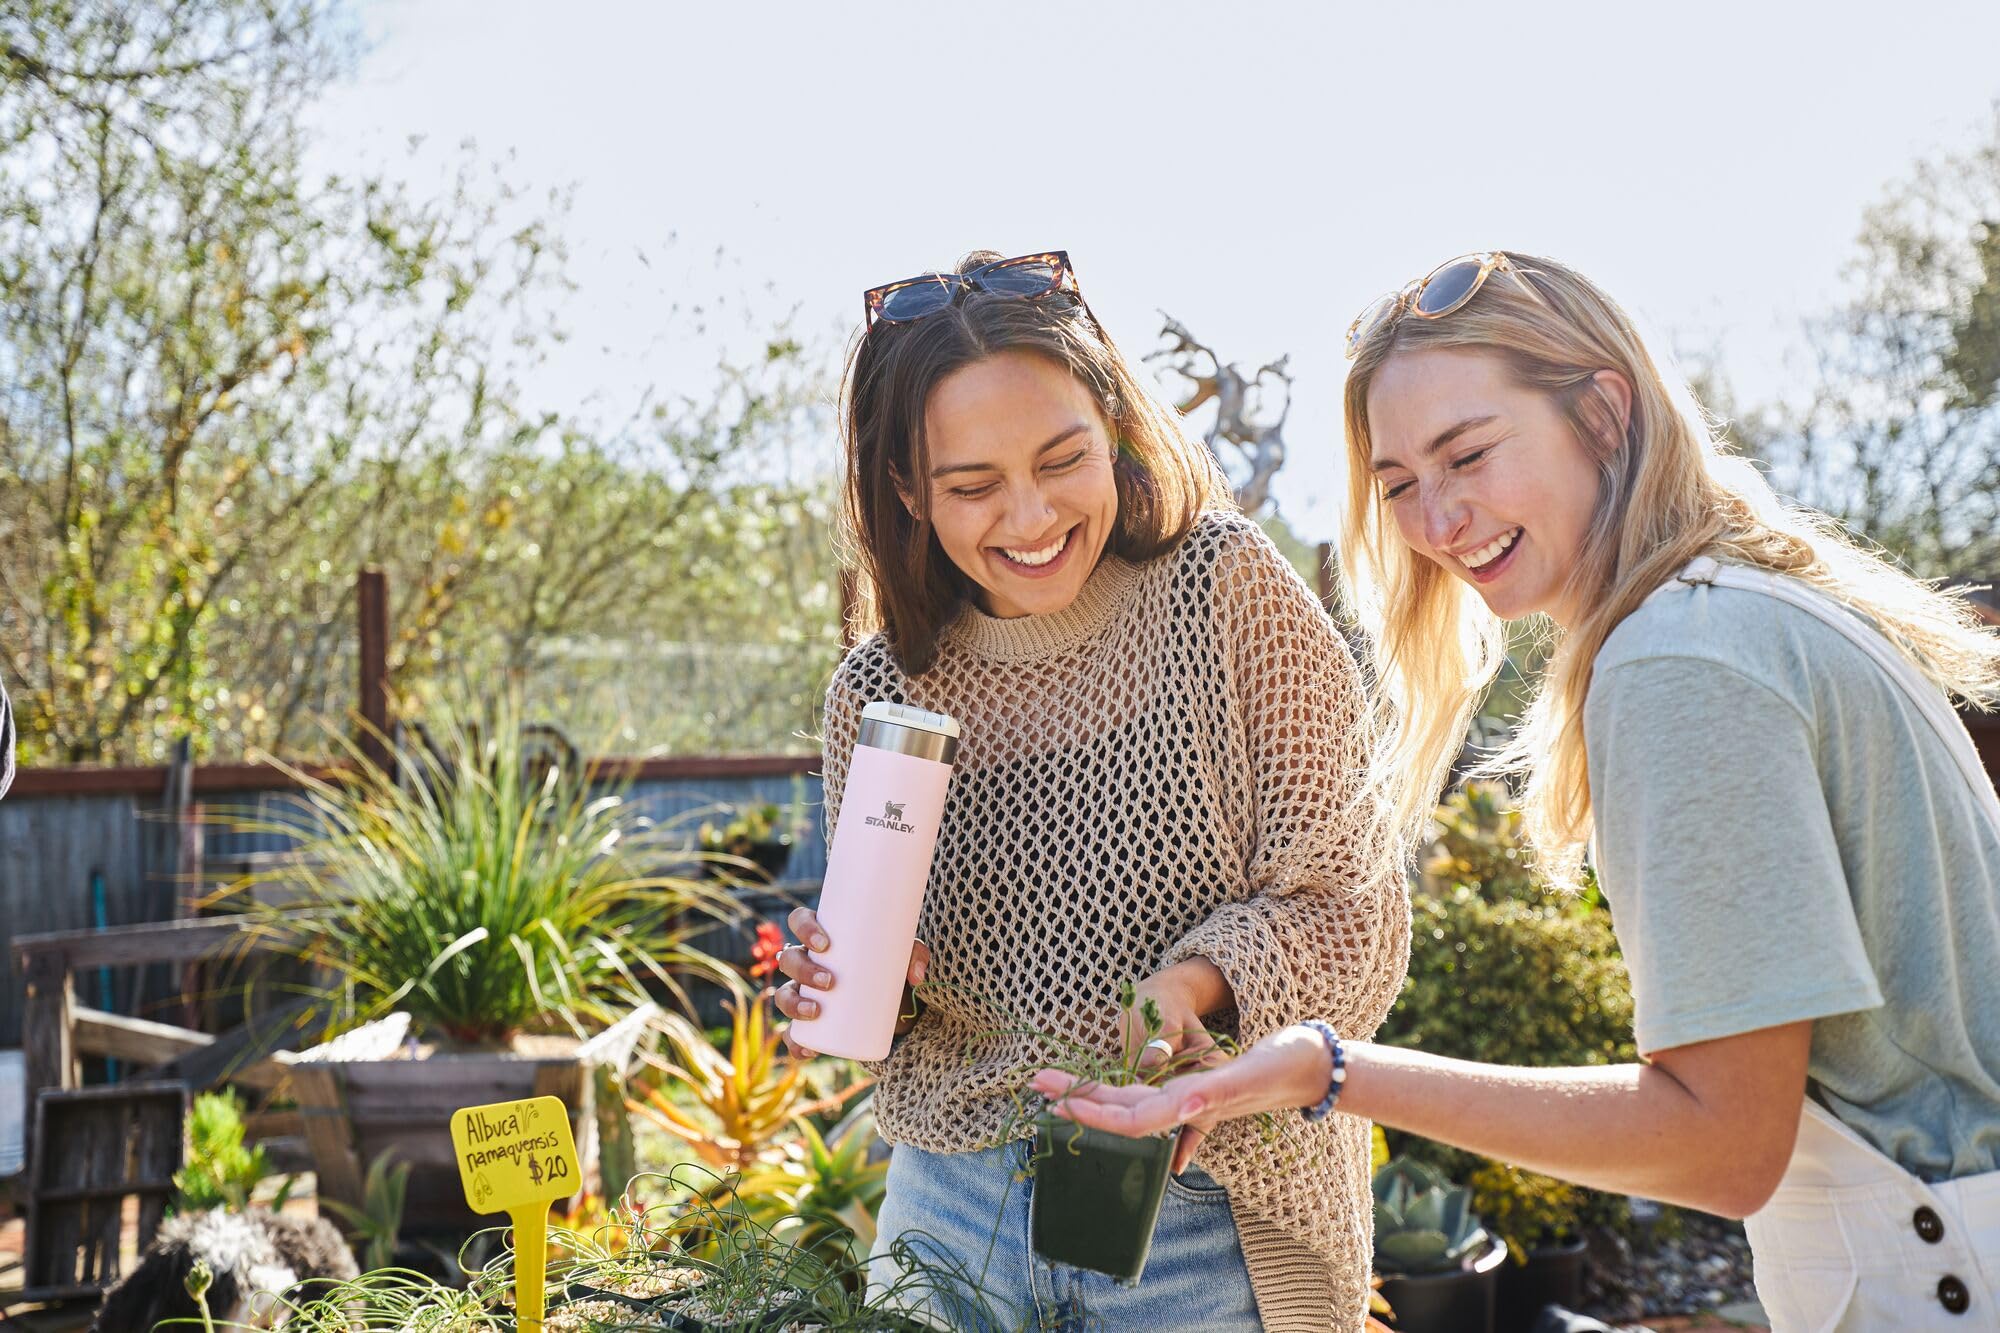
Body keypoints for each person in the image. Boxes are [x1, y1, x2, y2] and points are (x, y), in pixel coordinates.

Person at [1036, 251, 2000, 1331]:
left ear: (1603, 413)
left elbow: (1723, 1145)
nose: (1438, 520)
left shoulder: (1681, 660)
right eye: (1399, 484)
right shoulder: (1743, 608)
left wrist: (1329, 1069)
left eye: (1468, 454)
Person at [769, 249, 1409, 1331]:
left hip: (1198, 1201)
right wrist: (853, 988)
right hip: (951, 1206)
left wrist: (1194, 984)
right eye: (972, 486)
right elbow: (899, 1011)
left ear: (1113, 427)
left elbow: (1354, 910)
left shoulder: (1222, 590)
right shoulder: (877, 693)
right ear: (908, 492)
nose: (1028, 516)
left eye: (1062, 460)